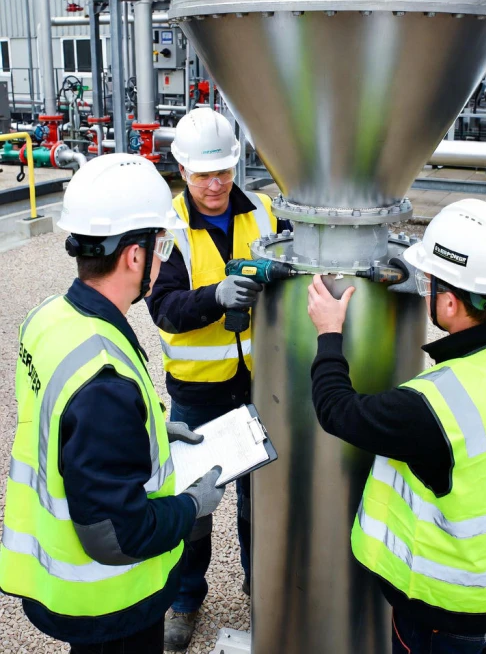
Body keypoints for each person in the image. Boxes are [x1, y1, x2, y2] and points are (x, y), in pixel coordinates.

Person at [0, 153, 225, 654]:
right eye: (160, 245)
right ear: (133, 255)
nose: (163, 259)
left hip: (60, 576)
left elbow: (63, 427)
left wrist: (148, 429)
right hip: (110, 605)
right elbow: (116, 536)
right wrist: (191, 507)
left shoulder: (49, 318)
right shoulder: (103, 376)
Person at [307, 198, 486, 654]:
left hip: (441, 615)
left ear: (449, 301)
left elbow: (337, 410)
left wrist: (329, 333)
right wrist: (427, 280)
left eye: (433, 284)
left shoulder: (432, 407)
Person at [146, 107, 289, 651]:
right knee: (193, 510)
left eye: (224, 172)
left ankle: (265, 593)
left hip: (260, 387)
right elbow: (163, 308)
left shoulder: (268, 214)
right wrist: (215, 298)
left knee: (262, 503)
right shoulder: (172, 229)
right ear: (181, 169)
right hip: (198, 396)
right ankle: (184, 599)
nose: (215, 184)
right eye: (203, 174)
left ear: (237, 166)